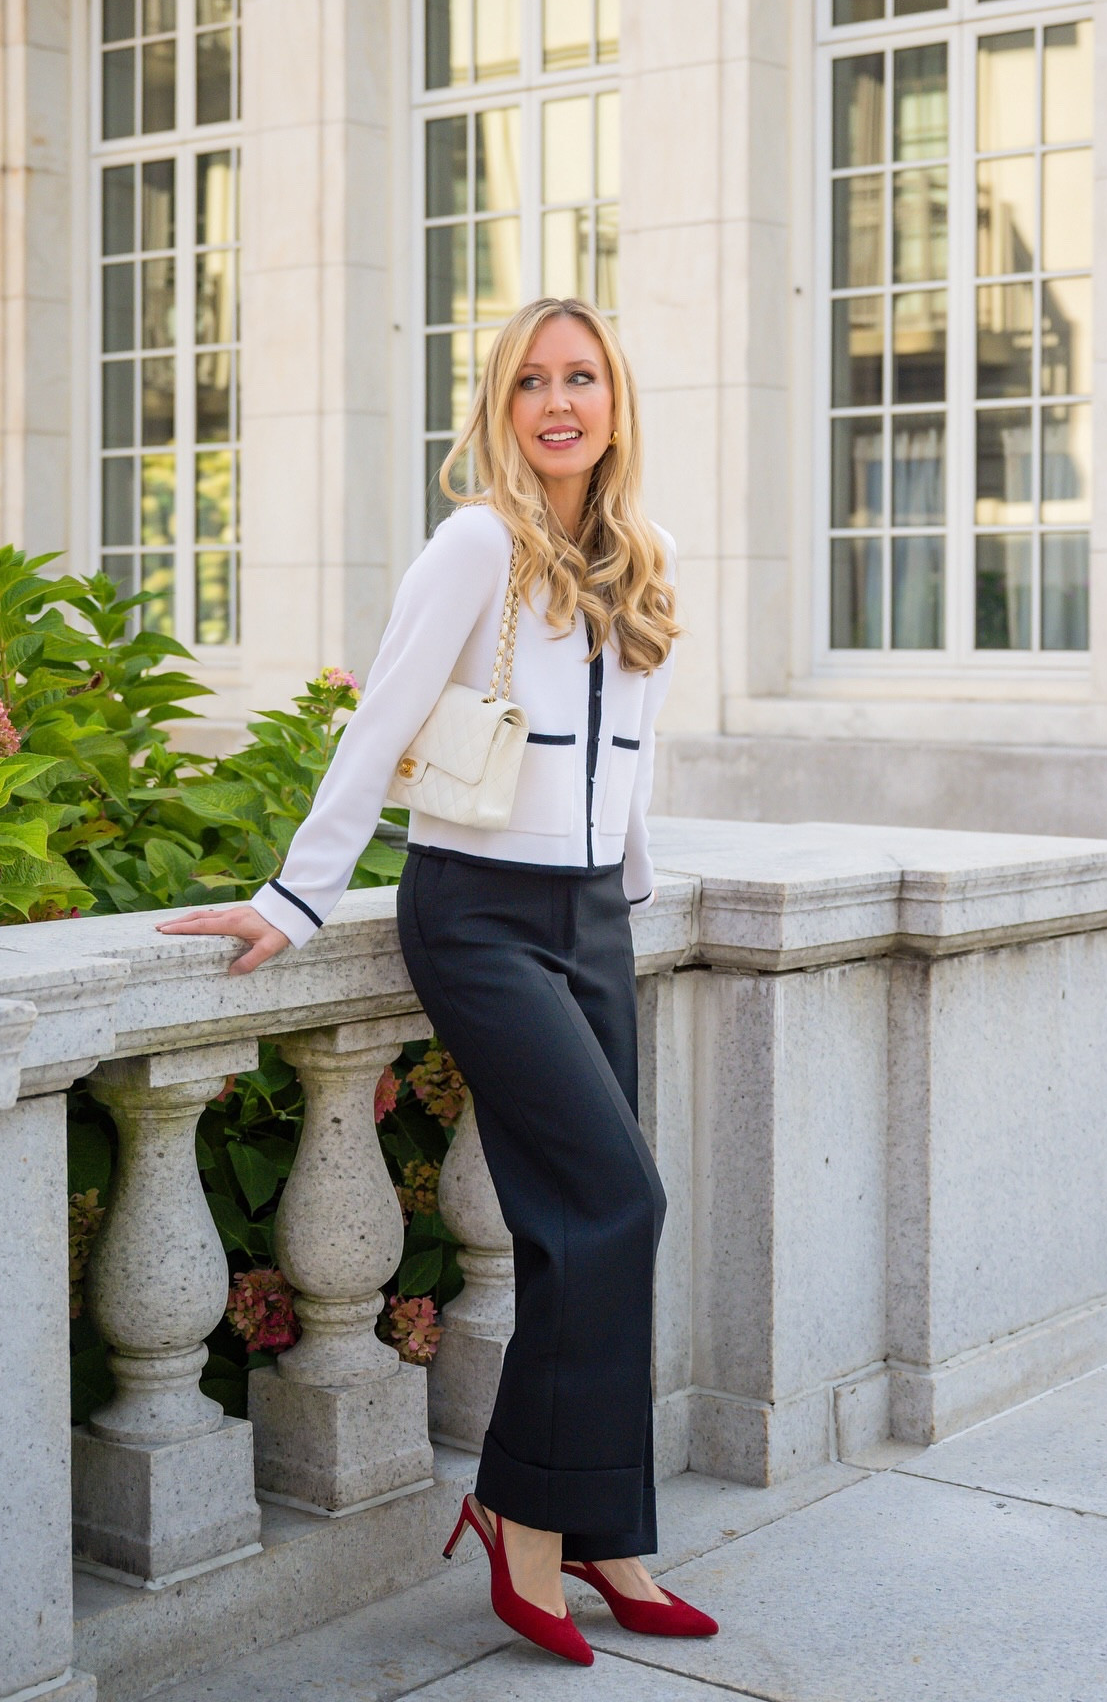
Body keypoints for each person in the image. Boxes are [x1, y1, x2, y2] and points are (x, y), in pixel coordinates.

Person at [159, 296, 716, 1662]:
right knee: (619, 1199)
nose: (558, 401)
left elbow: (631, 758)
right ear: (501, 404)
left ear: (615, 399)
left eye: (582, 376)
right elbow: (385, 717)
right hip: (474, 913)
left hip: (590, 921)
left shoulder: (636, 555)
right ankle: (523, 1519)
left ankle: (610, 1534)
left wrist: (627, 899)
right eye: (532, 380)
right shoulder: (478, 544)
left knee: (577, 1232)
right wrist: (301, 891)